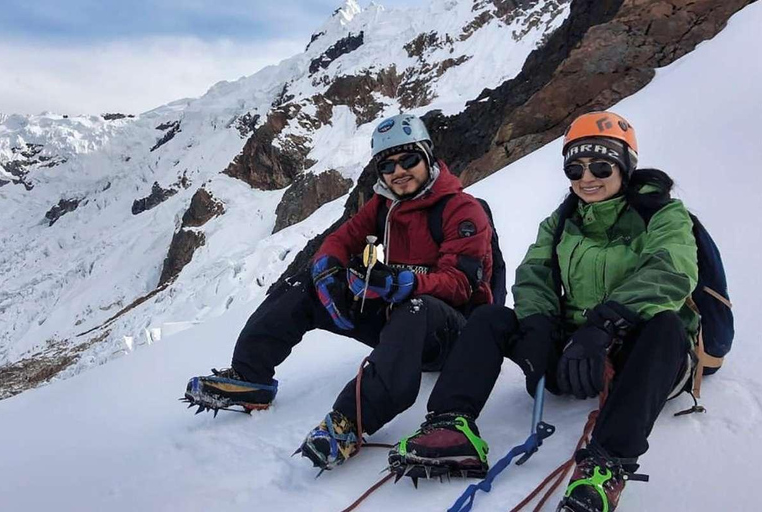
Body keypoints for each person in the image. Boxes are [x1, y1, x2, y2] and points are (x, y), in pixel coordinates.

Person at [390, 111, 699, 512]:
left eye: (601, 165)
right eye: (575, 167)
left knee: (667, 325)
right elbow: (535, 273)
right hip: (576, 354)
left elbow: (670, 269)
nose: (587, 177)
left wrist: (606, 323)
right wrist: (538, 326)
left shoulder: (663, 214)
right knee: (491, 318)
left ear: (625, 166)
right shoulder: (562, 221)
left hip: (644, 353)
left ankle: (605, 467)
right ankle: (450, 423)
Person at [183, 113, 494, 472]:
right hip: (398, 323)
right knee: (304, 284)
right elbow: (340, 239)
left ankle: (350, 423)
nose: (398, 171)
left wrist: (403, 283)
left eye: (408, 159)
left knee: (416, 307)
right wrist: (327, 269)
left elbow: (461, 284)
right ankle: (251, 376)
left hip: (450, 335)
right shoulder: (384, 206)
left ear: (427, 156)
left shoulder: (461, 210)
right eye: (387, 165)